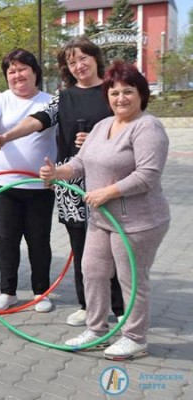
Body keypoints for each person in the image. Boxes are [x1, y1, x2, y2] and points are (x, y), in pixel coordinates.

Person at [40, 61, 169, 360]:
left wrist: (107, 192)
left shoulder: (148, 127)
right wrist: (56, 173)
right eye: (114, 93)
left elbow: (147, 175)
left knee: (131, 278)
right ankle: (96, 330)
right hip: (102, 218)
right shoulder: (103, 126)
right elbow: (81, 164)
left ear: (141, 94)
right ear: (107, 96)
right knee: (93, 271)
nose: (120, 98)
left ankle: (135, 338)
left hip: (138, 222)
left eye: (128, 92)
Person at [0, 37, 123, 326]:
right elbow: (38, 119)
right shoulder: (64, 97)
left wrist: (99, 140)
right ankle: (87, 304)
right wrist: (5, 137)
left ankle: (120, 306)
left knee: (113, 248)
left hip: (108, 182)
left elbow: (130, 128)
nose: (78, 66)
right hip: (72, 185)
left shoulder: (113, 92)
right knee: (81, 248)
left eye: (83, 58)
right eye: (71, 62)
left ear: (94, 58)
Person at [0, 49, 57, 312]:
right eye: (11, 71)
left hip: (39, 184)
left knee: (39, 239)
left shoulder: (51, 101)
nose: (17, 75)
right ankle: (8, 291)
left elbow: (38, 125)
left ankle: (41, 292)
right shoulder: (0, 99)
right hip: (3, 184)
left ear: (35, 71)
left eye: (22, 69)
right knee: (7, 238)